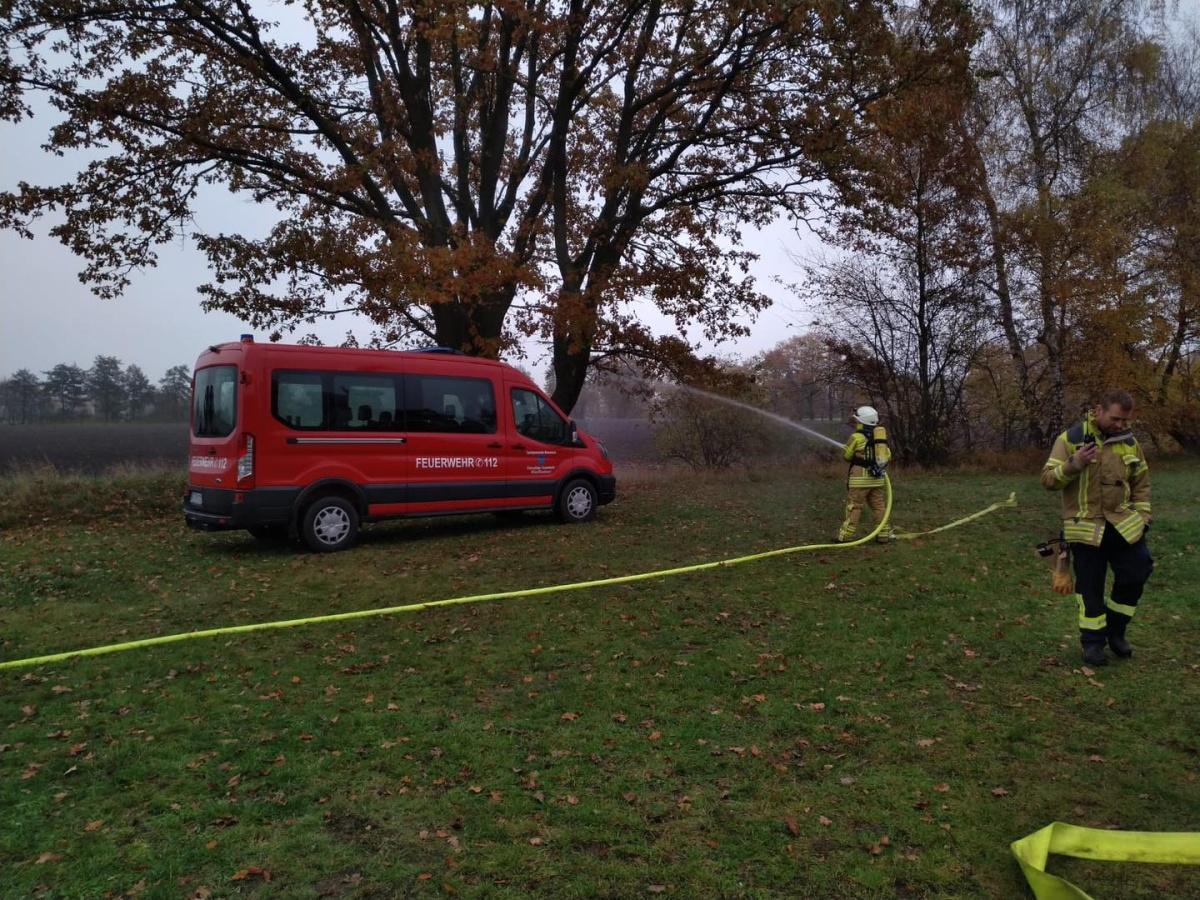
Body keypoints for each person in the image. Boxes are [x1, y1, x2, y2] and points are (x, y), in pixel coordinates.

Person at [1041, 389, 1153, 666]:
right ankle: (1092, 643)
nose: (1121, 425)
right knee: (1090, 588)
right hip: (1085, 528)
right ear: (1099, 410)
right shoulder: (1070, 439)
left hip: (1124, 526)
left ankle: (1115, 630)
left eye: (1125, 420)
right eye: (1115, 419)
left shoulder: (1130, 442)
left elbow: (1141, 483)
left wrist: (1143, 517)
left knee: (1137, 572)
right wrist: (1074, 464)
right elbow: (1048, 480)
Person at [837, 406, 894, 543]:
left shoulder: (856, 437)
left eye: (857, 421)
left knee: (854, 506)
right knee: (879, 506)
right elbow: (888, 456)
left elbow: (847, 456)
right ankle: (883, 535)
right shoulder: (879, 438)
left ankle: (845, 536)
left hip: (860, 480)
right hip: (877, 478)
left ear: (861, 422)